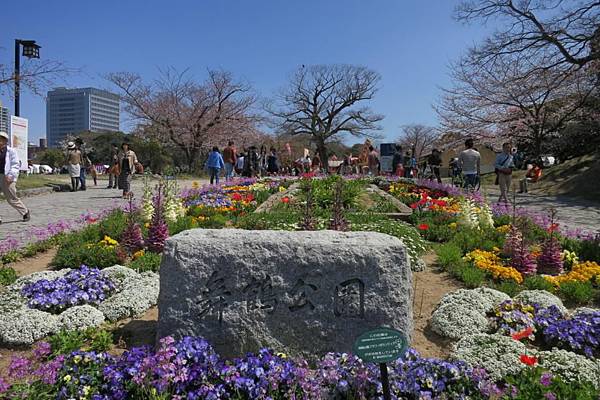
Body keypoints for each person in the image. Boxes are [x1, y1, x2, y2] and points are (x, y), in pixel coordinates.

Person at [0, 131, 30, 223]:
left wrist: (10, 175)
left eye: (1, 139)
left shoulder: (11, 151)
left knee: (11, 198)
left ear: (5, 141)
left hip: (6, 176)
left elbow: (15, 164)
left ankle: (25, 212)